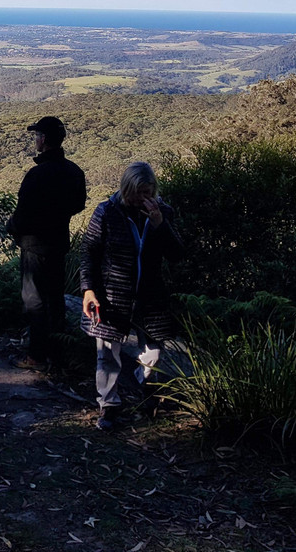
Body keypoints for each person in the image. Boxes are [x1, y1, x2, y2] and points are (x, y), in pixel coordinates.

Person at [80, 162, 184, 431]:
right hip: (111, 294)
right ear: (126, 189)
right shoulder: (107, 212)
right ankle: (109, 405)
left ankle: (146, 389)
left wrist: (160, 224)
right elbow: (89, 252)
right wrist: (88, 290)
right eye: (137, 193)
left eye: (148, 193)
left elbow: (177, 255)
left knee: (154, 353)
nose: (142, 199)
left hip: (150, 296)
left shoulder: (163, 213)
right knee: (107, 354)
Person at [7, 116, 87, 370]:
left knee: (34, 301)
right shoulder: (74, 171)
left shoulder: (37, 174)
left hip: (34, 245)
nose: (35, 140)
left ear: (43, 140)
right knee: (55, 298)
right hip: (59, 243)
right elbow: (78, 205)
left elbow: (22, 213)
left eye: (36, 136)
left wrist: (14, 230)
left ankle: (36, 356)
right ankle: (57, 352)